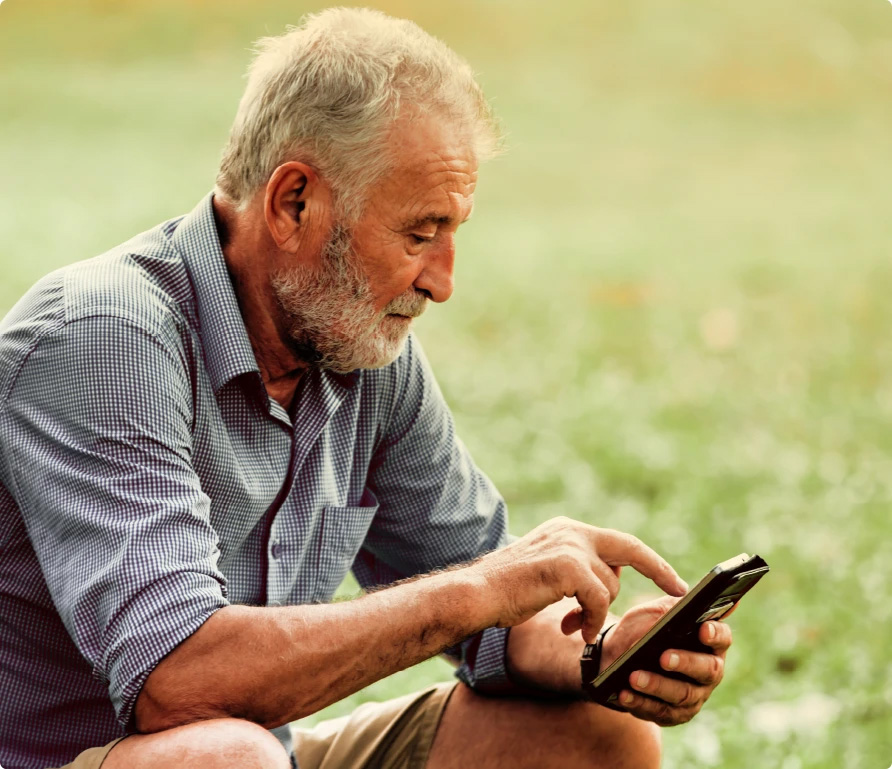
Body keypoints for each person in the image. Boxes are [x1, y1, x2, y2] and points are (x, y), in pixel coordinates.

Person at [0, 8, 732, 769]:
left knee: (592, 734)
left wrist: (601, 650)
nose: (443, 282)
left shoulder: (358, 348)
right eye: (419, 234)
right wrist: (478, 589)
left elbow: (492, 608)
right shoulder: (101, 338)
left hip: (261, 754)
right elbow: (178, 679)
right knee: (227, 759)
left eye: (453, 233)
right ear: (294, 203)